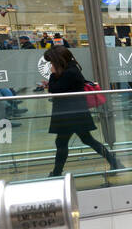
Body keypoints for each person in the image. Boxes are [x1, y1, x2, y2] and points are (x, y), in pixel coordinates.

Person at [43, 45, 121, 177]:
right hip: (74, 112)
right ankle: (115, 162)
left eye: (52, 62)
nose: (51, 64)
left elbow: (55, 89)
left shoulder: (69, 72)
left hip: (70, 114)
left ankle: (56, 173)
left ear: (58, 60)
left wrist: (52, 75)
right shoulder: (71, 69)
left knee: (65, 142)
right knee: (85, 140)